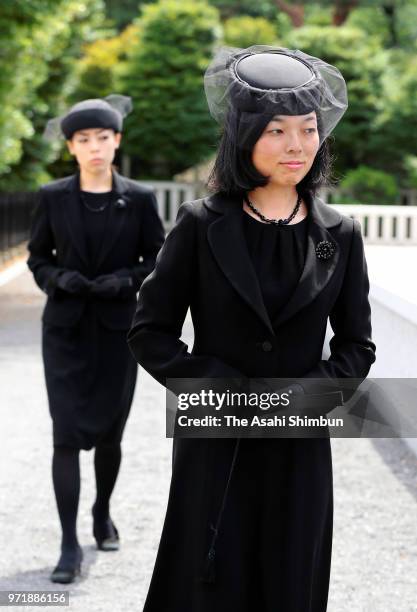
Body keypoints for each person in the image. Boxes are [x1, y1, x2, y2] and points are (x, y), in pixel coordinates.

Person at [127, 46, 376, 611]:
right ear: (244, 137)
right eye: (277, 131)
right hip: (216, 436)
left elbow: (357, 346)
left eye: (309, 129)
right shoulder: (199, 225)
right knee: (208, 579)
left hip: (300, 443)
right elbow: (150, 332)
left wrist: (304, 398)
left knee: (291, 578)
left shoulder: (341, 232)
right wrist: (215, 383)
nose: (297, 146)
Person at [27, 95, 165, 584]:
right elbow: (38, 256)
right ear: (71, 147)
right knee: (65, 436)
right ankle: (68, 545)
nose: (94, 148)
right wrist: (56, 279)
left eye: (103, 138)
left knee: (110, 435)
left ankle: (102, 512)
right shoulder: (52, 196)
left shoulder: (141, 198)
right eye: (83, 140)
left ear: (117, 141)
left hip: (115, 332)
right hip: (63, 331)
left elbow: (158, 259)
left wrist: (126, 281)